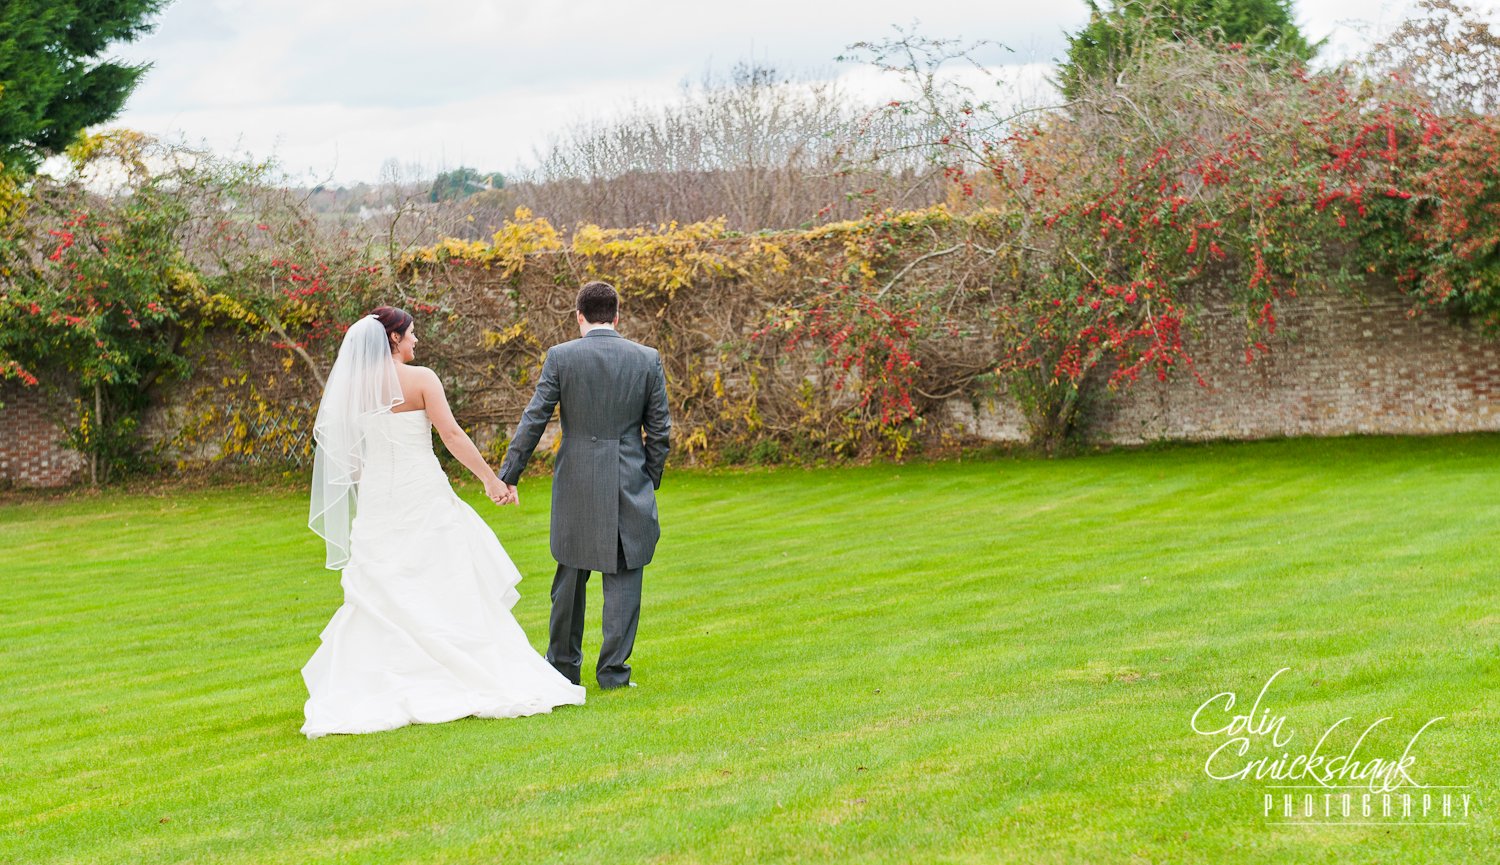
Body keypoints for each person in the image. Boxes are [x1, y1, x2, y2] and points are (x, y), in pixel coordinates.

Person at [300, 306, 584, 739]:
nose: (417, 341)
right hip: (421, 492)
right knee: (446, 577)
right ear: (393, 339)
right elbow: (451, 436)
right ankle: (464, 673)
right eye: (411, 334)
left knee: (384, 586)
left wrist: (370, 488)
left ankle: (388, 680)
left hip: (379, 499)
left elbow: (350, 456)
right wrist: (492, 480)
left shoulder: (353, 387)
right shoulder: (422, 379)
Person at [498, 281, 671, 690]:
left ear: (579, 315)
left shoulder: (561, 357)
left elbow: (534, 419)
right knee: (625, 575)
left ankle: (561, 667)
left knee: (570, 578)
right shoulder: (647, 359)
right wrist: (649, 479)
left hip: (576, 481)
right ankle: (613, 673)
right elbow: (660, 431)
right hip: (629, 479)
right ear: (617, 313)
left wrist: (508, 474)